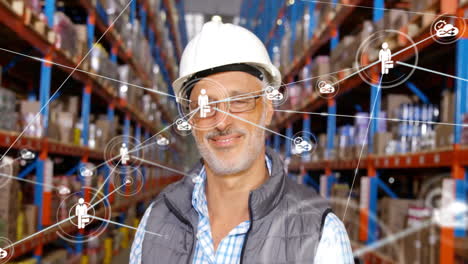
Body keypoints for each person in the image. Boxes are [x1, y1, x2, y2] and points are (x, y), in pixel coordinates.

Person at [130, 17, 353, 264]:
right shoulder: (155, 221)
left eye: (239, 101)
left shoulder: (320, 235)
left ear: (268, 108)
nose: (221, 122)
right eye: (205, 106)